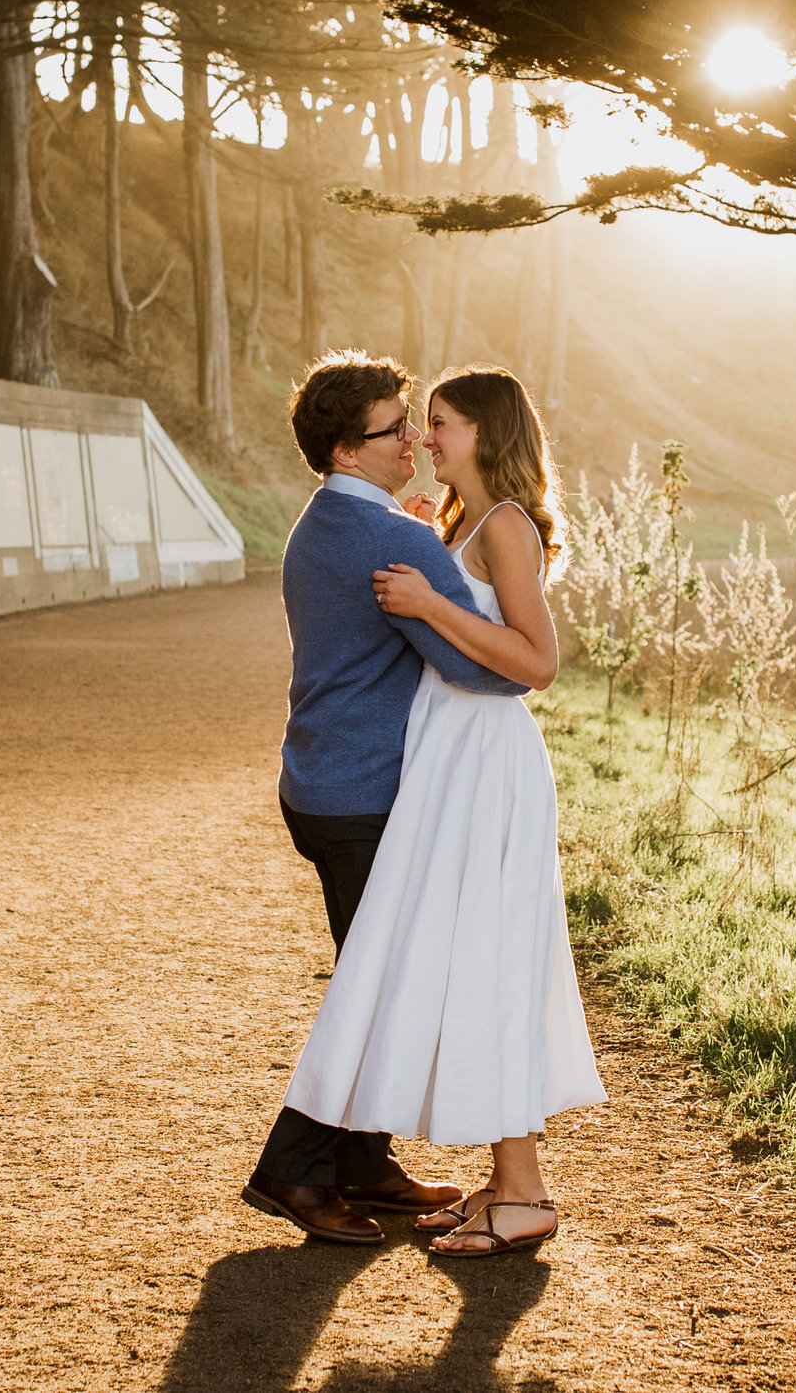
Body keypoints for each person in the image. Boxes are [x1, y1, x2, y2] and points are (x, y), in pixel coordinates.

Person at [283, 364, 606, 1260]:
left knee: (490, 956)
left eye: (442, 425)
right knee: (470, 960)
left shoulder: (504, 525)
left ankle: (520, 1190)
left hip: (486, 759)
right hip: (449, 759)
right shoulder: (460, 523)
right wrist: (432, 558)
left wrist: (429, 599)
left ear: (488, 436)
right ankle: (507, 1182)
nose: (426, 440)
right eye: (417, 425)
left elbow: (536, 663)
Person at [244, 352, 535, 1247]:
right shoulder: (394, 540)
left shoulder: (322, 522)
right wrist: (438, 573)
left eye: (417, 420)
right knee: (377, 985)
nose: (413, 438)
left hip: (319, 781)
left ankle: (365, 1165)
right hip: (367, 796)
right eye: (394, 427)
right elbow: (482, 670)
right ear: (346, 448)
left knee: (372, 967)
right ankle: (295, 1167)